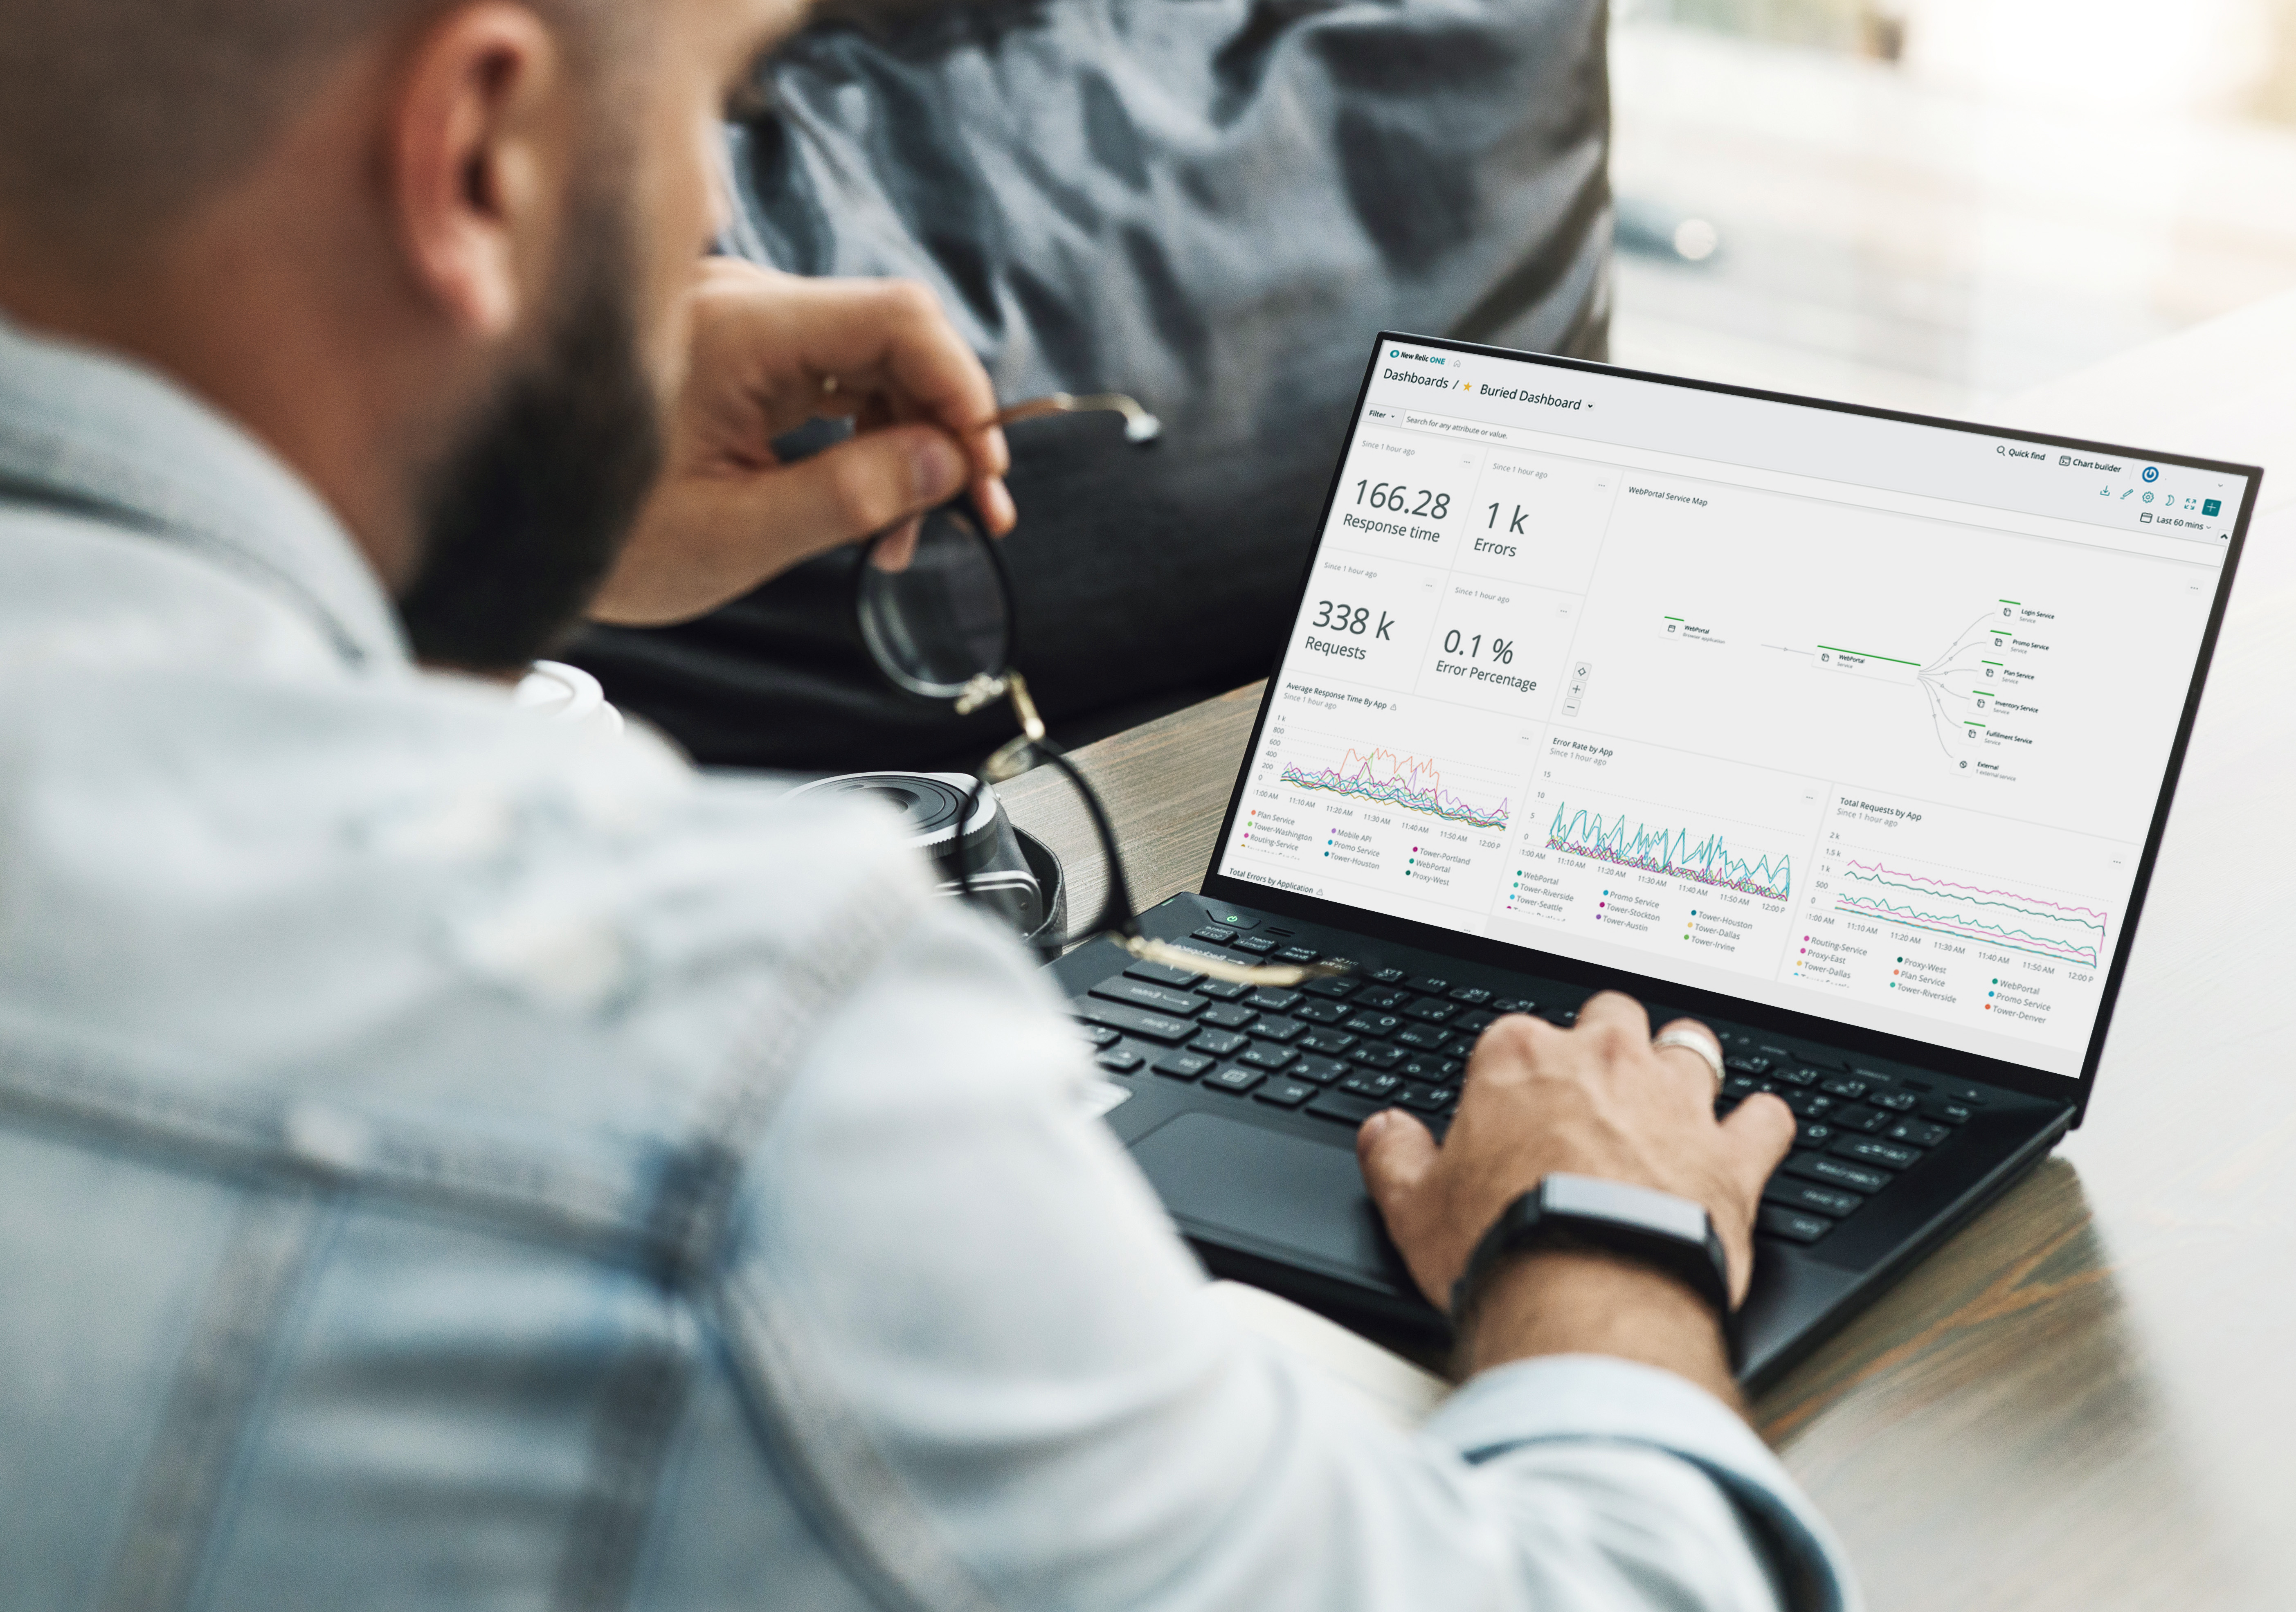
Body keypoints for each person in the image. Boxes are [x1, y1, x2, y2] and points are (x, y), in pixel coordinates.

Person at [0, 1, 1853, 1608]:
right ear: (478, 155)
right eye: (714, 104)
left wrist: (471, 495)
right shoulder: (736, 1075)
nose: (716, 217)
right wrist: (1604, 1234)